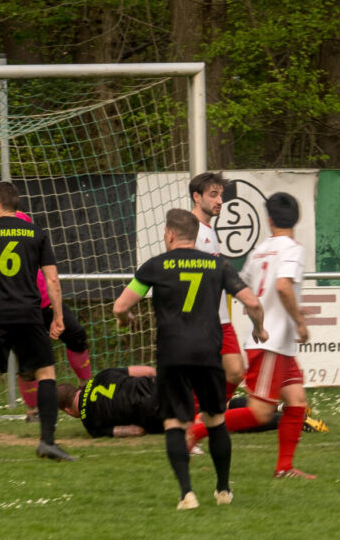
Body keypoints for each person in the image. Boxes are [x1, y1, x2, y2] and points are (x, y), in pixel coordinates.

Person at [113, 208, 265, 510]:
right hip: (208, 353)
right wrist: (259, 328)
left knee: (173, 422)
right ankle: (223, 490)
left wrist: (124, 319)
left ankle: (187, 494)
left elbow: (120, 306)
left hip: (172, 354)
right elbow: (252, 302)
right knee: (215, 419)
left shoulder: (156, 265)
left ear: (170, 235)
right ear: (195, 237)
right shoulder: (217, 265)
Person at [0, 181, 75, 464]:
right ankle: (47, 442)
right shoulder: (36, 233)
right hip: (29, 315)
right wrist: (58, 316)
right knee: (45, 375)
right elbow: (52, 280)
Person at [213, 192, 316, 478]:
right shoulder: (293, 249)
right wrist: (299, 322)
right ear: (297, 218)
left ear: (269, 220)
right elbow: (283, 286)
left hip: (272, 341)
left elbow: (243, 287)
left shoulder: (259, 251)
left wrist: (264, 312)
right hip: (273, 342)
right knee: (261, 413)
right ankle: (198, 427)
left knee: (296, 401)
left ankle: (284, 468)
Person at [62, 367, 330, 440]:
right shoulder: (101, 376)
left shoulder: (91, 424)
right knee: (216, 405)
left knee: (216, 422)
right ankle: (282, 408)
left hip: (154, 412)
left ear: (67, 410)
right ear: (77, 388)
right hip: (163, 385)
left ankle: (286, 420)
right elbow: (144, 370)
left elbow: (134, 431)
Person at [189, 172, 245, 398]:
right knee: (199, 377)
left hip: (220, 318)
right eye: (213, 194)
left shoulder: (209, 229)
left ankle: (211, 410)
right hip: (199, 319)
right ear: (197, 197)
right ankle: (196, 415)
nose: (220, 201)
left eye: (221, 195)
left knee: (236, 372)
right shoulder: (189, 229)